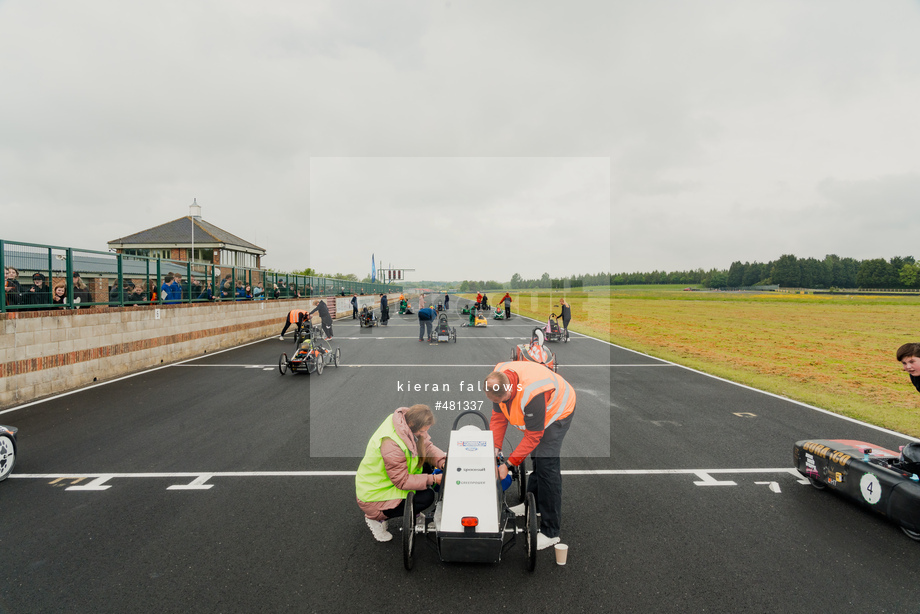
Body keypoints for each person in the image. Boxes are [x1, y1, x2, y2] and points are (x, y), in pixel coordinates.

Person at [484, 361, 576, 550]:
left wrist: (507, 465)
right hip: (542, 406)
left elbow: (533, 436)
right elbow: (498, 418)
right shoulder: (497, 380)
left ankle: (551, 532)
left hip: (558, 411)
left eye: (503, 399)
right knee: (537, 458)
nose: (500, 404)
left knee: (546, 464)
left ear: (510, 389)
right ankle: (532, 503)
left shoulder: (532, 394)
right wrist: (494, 450)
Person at [355, 404, 446, 542]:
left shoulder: (406, 425)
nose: (424, 434)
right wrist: (433, 479)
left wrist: (443, 462)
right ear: (412, 424)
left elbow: (426, 447)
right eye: (422, 431)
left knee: (427, 465)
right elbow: (401, 481)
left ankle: (412, 511)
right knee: (426, 497)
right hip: (375, 494)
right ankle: (376, 520)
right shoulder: (391, 444)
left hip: (389, 481)